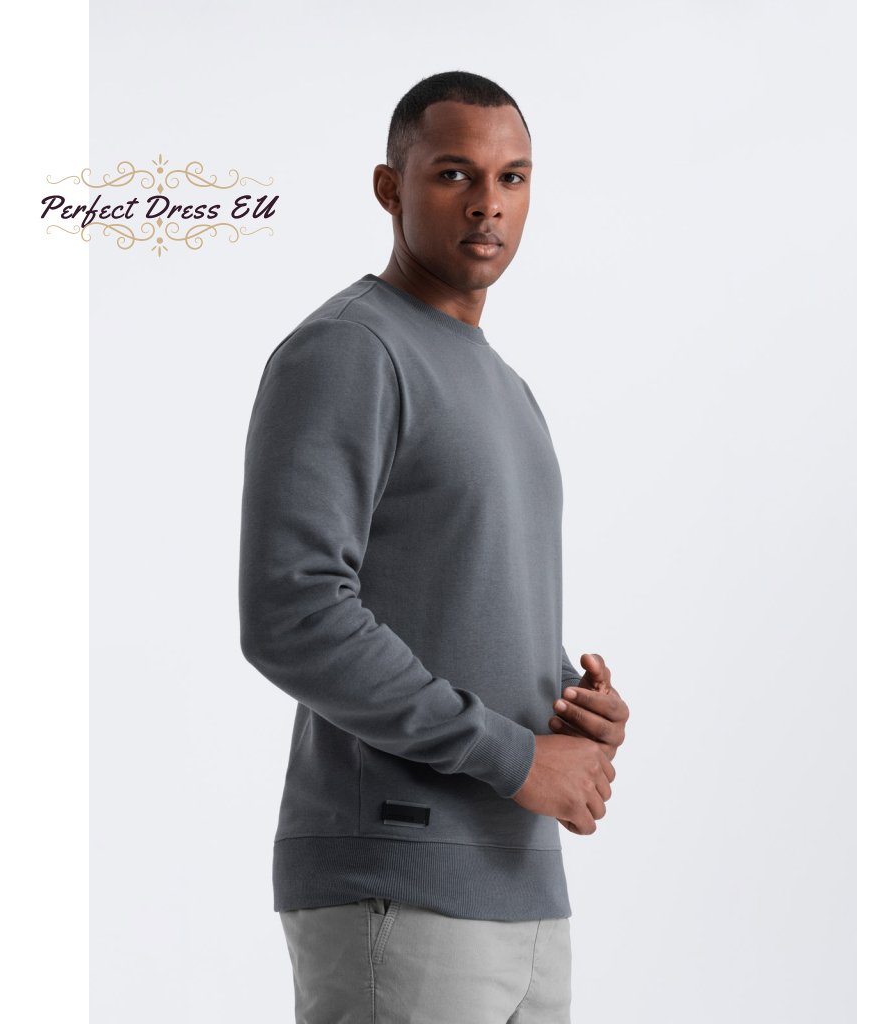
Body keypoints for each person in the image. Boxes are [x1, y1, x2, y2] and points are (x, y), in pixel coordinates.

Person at [238, 70, 630, 1024]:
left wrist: (571, 715)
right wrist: (515, 755)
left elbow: (463, 605)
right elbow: (293, 612)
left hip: (525, 884)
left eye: (512, 178)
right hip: (398, 883)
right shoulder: (350, 350)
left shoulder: (509, 388)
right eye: (455, 173)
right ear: (390, 187)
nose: (488, 203)